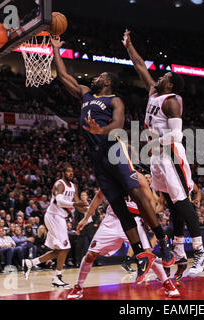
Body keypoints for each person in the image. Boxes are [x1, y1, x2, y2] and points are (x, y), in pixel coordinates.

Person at [48, 36, 174, 283]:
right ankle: (141, 254)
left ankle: (164, 241)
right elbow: (64, 77)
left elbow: (118, 125)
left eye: (98, 77)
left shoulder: (114, 100)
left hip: (115, 150)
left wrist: (100, 130)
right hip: (97, 159)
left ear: (106, 81)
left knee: (136, 193)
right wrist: (55, 50)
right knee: (118, 205)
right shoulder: (85, 94)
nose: (92, 79)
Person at [123, 29, 204, 277]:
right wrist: (128, 45)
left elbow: (175, 136)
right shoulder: (154, 93)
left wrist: (151, 142)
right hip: (156, 157)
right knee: (172, 204)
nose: (159, 77)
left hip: (170, 153)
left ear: (170, 84)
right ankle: (180, 250)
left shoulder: (172, 100)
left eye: (165, 76)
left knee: (183, 201)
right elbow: (140, 66)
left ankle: (201, 252)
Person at [67, 171, 180, 299]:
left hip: (134, 220)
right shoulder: (110, 175)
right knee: (91, 255)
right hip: (112, 219)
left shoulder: (139, 178)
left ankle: (167, 283)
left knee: (147, 255)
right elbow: (99, 196)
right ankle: (78, 287)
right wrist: (86, 218)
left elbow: (150, 202)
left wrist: (149, 220)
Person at [22, 165, 88, 287]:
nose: (71, 173)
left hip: (60, 217)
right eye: (68, 171)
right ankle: (57, 276)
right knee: (66, 247)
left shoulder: (74, 187)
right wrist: (75, 203)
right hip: (53, 216)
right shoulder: (59, 184)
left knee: (58, 250)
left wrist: (88, 209)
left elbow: (78, 204)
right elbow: (59, 201)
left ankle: (30, 263)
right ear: (63, 173)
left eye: (72, 171)